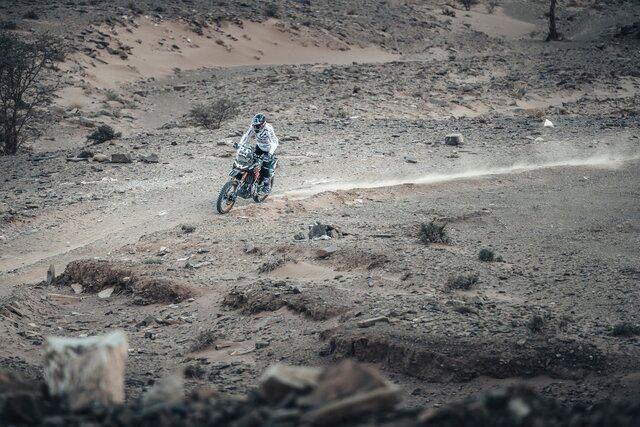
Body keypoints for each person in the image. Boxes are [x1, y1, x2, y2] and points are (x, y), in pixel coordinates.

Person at [238, 113, 279, 194]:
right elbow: (246, 135)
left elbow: (275, 141)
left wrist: (270, 154)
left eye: (257, 126)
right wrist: (240, 144)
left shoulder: (268, 128)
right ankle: (248, 182)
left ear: (263, 124)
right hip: (259, 147)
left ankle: (267, 186)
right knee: (250, 162)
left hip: (268, 149)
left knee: (265, 167)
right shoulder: (253, 126)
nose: (255, 127)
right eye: (254, 125)